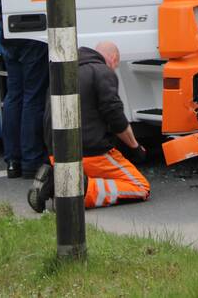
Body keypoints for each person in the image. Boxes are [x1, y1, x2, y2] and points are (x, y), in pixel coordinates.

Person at [29, 41, 150, 211]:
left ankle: (55, 183)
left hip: (57, 154)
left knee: (90, 175)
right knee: (139, 186)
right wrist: (135, 147)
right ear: (114, 58)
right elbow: (115, 117)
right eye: (116, 65)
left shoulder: (63, 71)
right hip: (91, 152)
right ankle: (76, 193)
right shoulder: (102, 71)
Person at [0, 38, 49, 178]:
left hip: (10, 33)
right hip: (33, 35)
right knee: (33, 97)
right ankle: (31, 161)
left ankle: (12, 161)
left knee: (14, 96)